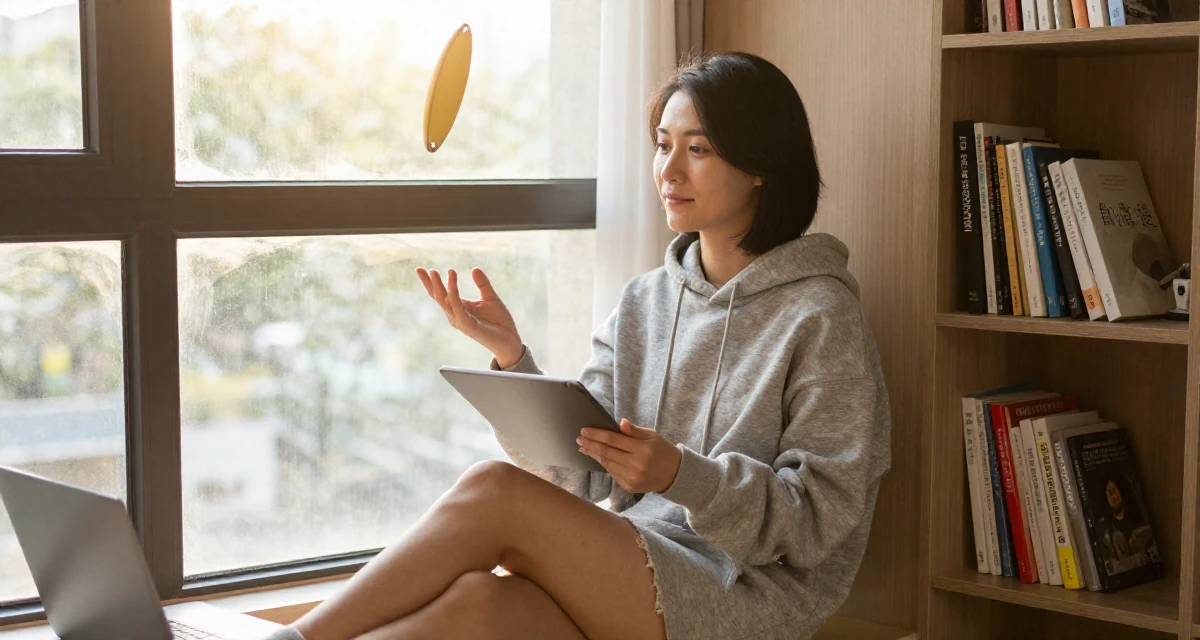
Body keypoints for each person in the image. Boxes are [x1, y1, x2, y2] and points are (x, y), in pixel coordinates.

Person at [264, 51, 891, 640]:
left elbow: (814, 525)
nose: (668, 171)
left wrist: (682, 477)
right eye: (662, 145)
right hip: (638, 564)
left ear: (760, 165)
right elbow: (583, 483)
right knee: (478, 605)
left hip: (748, 598)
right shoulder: (647, 301)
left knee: (494, 489)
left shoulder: (821, 315)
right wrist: (515, 360)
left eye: (697, 150)